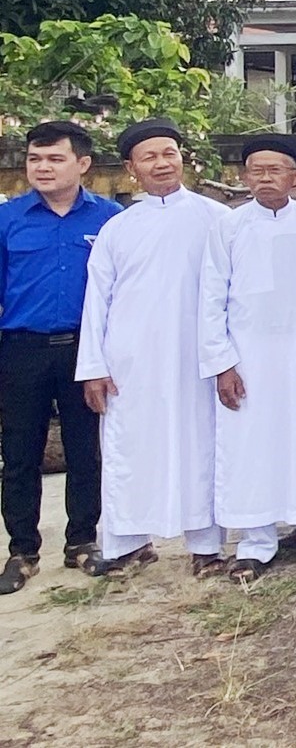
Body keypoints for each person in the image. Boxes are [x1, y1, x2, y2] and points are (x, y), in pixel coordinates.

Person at [75, 119, 227, 580]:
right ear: (131, 168)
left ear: (183, 157)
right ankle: (127, 543)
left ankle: (206, 546)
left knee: (201, 444)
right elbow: (97, 302)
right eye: (150, 157)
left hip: (197, 357)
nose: (162, 163)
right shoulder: (117, 229)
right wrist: (93, 367)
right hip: (131, 361)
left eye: (170, 153)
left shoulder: (217, 218)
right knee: (129, 447)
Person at [200, 136, 296, 581]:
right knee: (249, 445)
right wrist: (221, 363)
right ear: (244, 177)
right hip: (247, 358)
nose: (265, 178)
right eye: (256, 170)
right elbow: (211, 299)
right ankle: (256, 540)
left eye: (275, 170)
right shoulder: (227, 227)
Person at [0, 121, 114, 593]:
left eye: (54, 159)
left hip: (84, 350)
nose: (42, 168)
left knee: (86, 449)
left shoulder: (108, 219)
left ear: (82, 164)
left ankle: (82, 541)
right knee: (19, 451)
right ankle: (22, 549)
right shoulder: (9, 219)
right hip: (21, 347)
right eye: (34, 159)